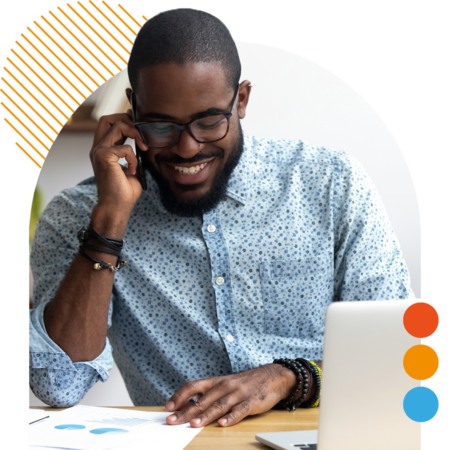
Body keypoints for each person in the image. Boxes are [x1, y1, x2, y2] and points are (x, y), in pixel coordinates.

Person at [28, 8, 415, 428]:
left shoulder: (332, 185)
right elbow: (59, 385)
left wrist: (290, 377)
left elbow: (396, 353)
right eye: (160, 125)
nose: (187, 148)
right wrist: (109, 221)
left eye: (209, 121)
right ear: (131, 112)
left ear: (241, 101)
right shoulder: (76, 217)